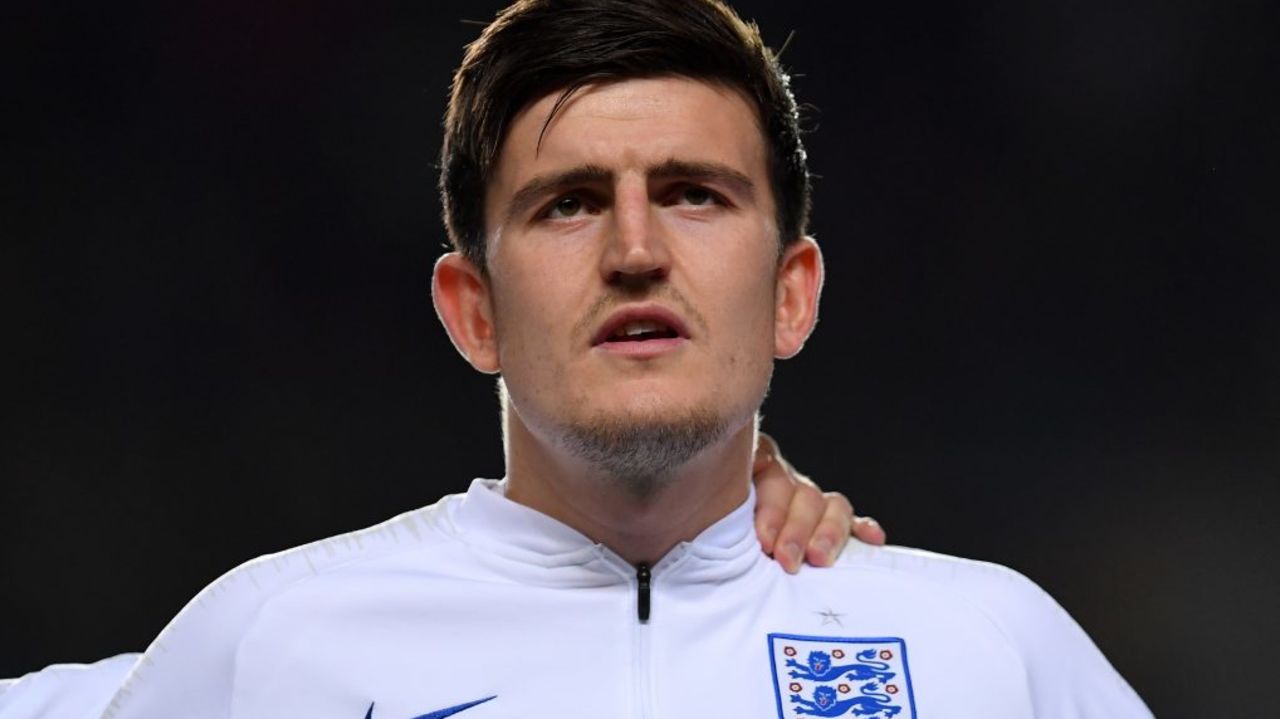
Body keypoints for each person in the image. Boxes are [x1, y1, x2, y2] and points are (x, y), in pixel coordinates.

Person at [2, 1, 1152, 717]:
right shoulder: (276, 641)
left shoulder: (989, 646)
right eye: (567, 205)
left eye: (694, 194)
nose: (636, 249)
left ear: (789, 293)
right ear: (473, 310)